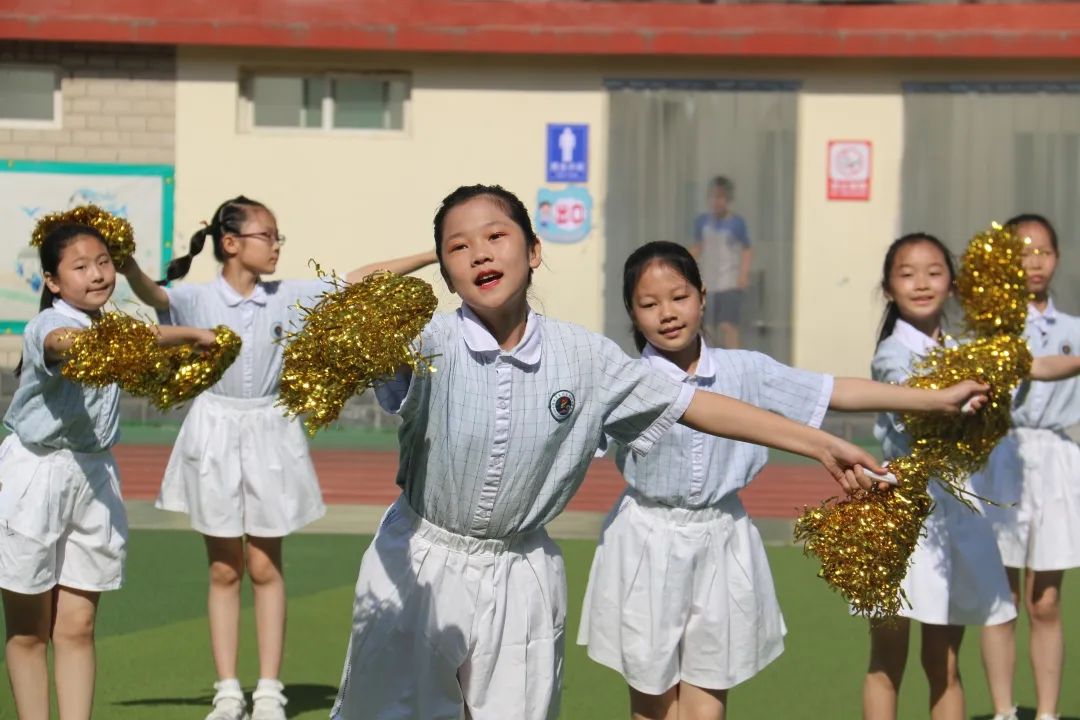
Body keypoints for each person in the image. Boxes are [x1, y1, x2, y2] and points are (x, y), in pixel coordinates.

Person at [330, 183, 891, 720]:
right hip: (422, 559)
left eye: (497, 237)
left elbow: (696, 406)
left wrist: (819, 443)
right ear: (448, 273)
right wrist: (435, 254)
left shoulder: (586, 358)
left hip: (523, 569)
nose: (479, 253)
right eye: (459, 246)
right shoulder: (428, 344)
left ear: (535, 251)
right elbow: (352, 290)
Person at [577, 240, 990, 720]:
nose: (667, 313)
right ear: (631, 311)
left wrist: (937, 398)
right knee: (652, 707)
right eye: (649, 304)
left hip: (723, 538)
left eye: (680, 297)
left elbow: (835, 391)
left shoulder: (746, 369)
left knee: (707, 708)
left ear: (704, 297)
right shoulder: (627, 381)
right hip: (646, 541)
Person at [120, 196, 437, 720]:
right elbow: (152, 293)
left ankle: (269, 690)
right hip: (215, 431)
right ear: (231, 243)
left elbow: (359, 278)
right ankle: (227, 690)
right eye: (268, 235)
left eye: (276, 237)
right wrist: (127, 261)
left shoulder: (286, 296)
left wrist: (430, 255)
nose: (276, 246)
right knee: (224, 569)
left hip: (271, 431)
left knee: (266, 565)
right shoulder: (196, 299)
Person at [0, 221, 217, 720]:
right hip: (36, 473)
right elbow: (59, 342)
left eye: (103, 263)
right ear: (53, 282)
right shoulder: (47, 326)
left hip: (94, 476)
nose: (97, 275)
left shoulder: (110, 327)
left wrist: (194, 335)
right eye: (80, 267)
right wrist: (91, 348)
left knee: (77, 627)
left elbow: (145, 334)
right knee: (29, 629)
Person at [862, 232, 1080, 720]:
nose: (921, 283)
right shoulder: (892, 355)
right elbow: (914, 399)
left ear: (953, 285)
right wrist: (958, 397)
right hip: (901, 511)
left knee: (945, 661)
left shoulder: (965, 349)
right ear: (888, 288)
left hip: (956, 512)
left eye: (934, 272)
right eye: (907, 273)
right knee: (887, 660)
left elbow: (1034, 364)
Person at [975, 214, 1080, 720]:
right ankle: (1002, 710)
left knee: (1046, 601)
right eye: (1022, 251)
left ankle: (1047, 714)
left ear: (1057, 257)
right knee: (1002, 597)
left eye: (1044, 250)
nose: (1034, 261)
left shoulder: (1074, 331)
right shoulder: (990, 326)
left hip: (1057, 459)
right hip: (1002, 455)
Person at [690, 176, 751, 349]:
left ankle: (735, 363)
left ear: (728, 200)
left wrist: (743, 275)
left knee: (727, 326)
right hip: (707, 282)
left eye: (721, 197)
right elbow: (697, 248)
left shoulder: (736, 223)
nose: (716, 202)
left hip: (729, 282)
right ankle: (706, 363)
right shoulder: (702, 222)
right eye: (713, 197)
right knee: (705, 326)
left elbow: (747, 250)